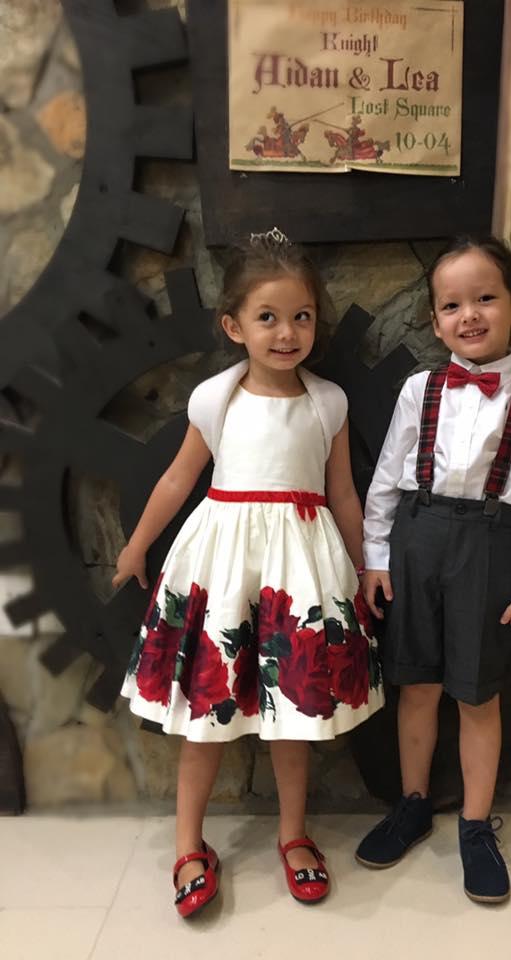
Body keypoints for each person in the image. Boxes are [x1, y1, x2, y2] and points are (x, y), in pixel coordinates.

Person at [114, 228, 383, 917]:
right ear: (234, 326)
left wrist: (363, 564)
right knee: (205, 714)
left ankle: (293, 834)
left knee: (292, 714)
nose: (286, 332)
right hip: (225, 566)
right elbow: (178, 479)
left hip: (301, 569)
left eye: (301, 316)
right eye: (268, 317)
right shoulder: (216, 399)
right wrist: (137, 545)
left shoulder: (327, 403)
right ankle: (187, 843)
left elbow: (343, 493)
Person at [355, 235, 511, 904]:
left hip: (489, 548)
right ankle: (413, 803)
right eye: (452, 305)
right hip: (417, 541)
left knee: (477, 694)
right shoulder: (418, 390)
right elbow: (385, 481)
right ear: (435, 319)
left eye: (485, 299)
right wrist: (376, 557)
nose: (469, 315)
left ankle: (475, 826)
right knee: (416, 685)